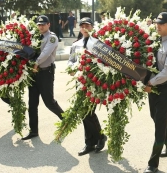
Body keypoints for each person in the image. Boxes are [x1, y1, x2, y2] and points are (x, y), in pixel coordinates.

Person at [143, 12, 167, 173]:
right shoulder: (154, 39)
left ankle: (153, 164)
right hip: (153, 85)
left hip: (166, 86)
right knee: (155, 116)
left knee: (159, 123)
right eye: (157, 23)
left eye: (161, 23)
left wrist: (150, 82)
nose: (157, 25)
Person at [67, 17, 107, 155]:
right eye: (82, 26)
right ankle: (90, 142)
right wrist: (72, 68)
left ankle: (100, 137)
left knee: (88, 112)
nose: (84, 28)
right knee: (83, 112)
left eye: (87, 26)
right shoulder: (76, 44)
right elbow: (71, 61)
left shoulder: (98, 44)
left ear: (92, 27)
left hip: (94, 82)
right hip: (80, 82)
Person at [22, 15, 64, 140]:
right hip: (34, 74)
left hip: (46, 73)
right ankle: (33, 131)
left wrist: (36, 63)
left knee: (49, 102)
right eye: (39, 24)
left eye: (43, 24)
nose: (41, 26)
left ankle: (65, 119)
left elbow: (45, 53)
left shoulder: (52, 38)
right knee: (32, 103)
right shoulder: (35, 36)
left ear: (49, 25)